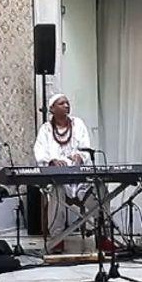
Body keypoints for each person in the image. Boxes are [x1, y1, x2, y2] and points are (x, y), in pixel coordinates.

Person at [32, 93, 93, 252]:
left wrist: (80, 156)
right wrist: (52, 161)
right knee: (56, 190)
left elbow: (86, 148)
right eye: (62, 103)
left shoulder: (78, 124)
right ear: (52, 109)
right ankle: (57, 237)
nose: (66, 105)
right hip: (58, 177)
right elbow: (39, 152)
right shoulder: (45, 129)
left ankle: (105, 234)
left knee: (99, 191)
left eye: (67, 102)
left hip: (79, 176)